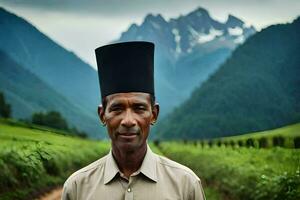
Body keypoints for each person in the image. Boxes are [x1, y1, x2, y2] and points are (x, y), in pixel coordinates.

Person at [62, 41, 206, 200]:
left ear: (154, 114)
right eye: (117, 109)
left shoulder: (185, 185)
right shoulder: (77, 188)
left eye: (139, 108)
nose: (128, 121)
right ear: (102, 115)